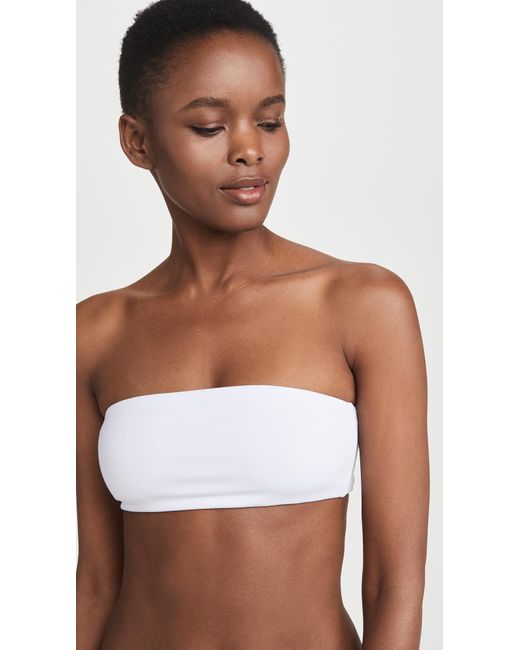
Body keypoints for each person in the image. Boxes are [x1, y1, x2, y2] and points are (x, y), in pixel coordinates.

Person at [76, 0, 430, 648]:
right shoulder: (93, 334)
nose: (249, 150)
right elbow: (96, 581)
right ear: (137, 141)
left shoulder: (363, 305)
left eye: (270, 121)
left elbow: (395, 581)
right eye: (210, 127)